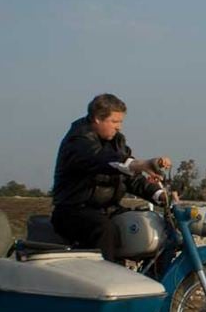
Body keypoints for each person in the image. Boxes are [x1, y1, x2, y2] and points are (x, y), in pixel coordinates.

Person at [51, 93, 172, 261]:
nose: (119, 127)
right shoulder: (78, 140)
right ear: (97, 119)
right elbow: (101, 159)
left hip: (109, 209)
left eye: (121, 122)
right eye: (114, 122)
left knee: (151, 225)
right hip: (74, 210)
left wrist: (159, 195)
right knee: (105, 229)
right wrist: (140, 164)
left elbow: (131, 178)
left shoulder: (117, 142)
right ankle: (107, 279)